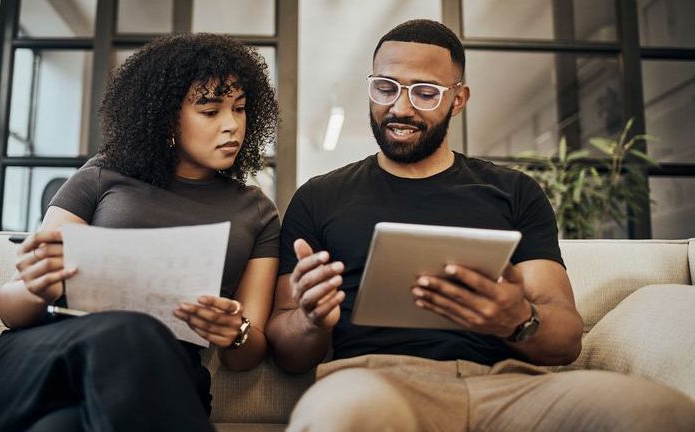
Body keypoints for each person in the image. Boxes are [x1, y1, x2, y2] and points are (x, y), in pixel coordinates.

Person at [266, 19, 695, 431]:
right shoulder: (319, 197)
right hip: (377, 382)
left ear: (459, 99)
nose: (400, 107)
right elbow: (288, 353)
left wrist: (517, 319)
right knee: (341, 418)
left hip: (507, 383)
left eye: (425, 92)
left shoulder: (514, 191)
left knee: (656, 412)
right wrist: (309, 320)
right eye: (385, 87)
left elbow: (566, 339)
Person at [0, 33, 280, 432]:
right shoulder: (101, 175)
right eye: (211, 111)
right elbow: (10, 306)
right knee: (132, 330)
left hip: (157, 383)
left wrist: (237, 333)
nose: (232, 125)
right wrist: (38, 286)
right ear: (166, 116)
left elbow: (245, 355)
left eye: (241, 108)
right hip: (42, 364)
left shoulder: (257, 212)